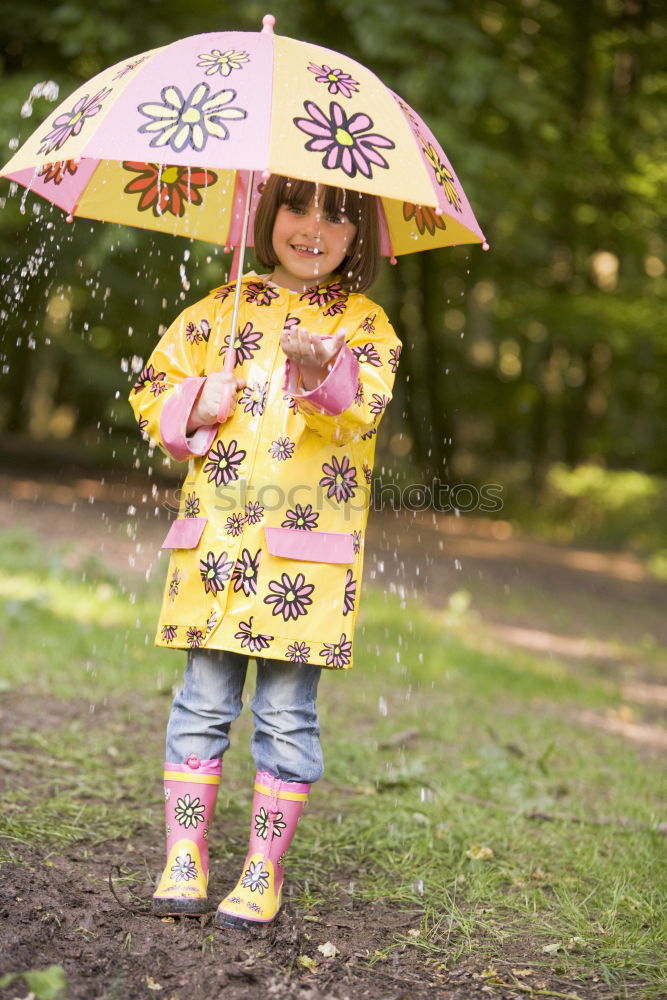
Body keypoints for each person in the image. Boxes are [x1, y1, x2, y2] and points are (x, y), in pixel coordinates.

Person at [130, 174, 401, 929]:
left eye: (336, 216)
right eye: (296, 206)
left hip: (299, 560)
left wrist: (321, 372)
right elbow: (153, 389)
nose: (312, 227)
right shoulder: (219, 309)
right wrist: (195, 404)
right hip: (214, 549)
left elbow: (363, 409)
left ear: (359, 237)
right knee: (200, 705)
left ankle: (262, 867)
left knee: (286, 715)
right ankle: (185, 855)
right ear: (266, 214)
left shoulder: (364, 324)